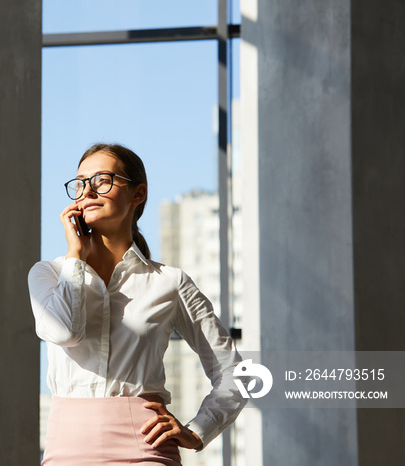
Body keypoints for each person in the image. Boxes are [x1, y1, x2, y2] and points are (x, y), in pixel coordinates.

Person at [28, 143, 246, 465]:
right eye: (80, 182)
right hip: (66, 451)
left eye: (102, 180)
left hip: (145, 450)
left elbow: (234, 373)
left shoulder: (169, 282)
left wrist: (197, 431)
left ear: (138, 194)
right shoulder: (49, 274)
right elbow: (65, 332)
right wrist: (76, 256)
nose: (87, 190)